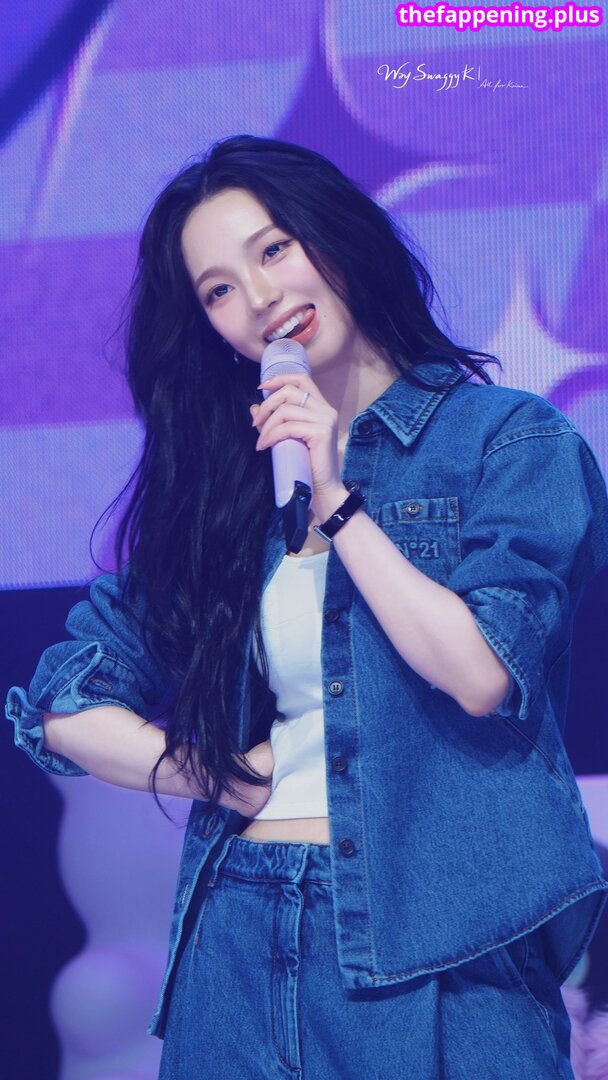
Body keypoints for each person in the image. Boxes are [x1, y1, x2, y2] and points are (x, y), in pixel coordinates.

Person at [7, 134, 608, 1079]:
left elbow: (483, 672)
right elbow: (62, 706)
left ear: (337, 236)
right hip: (237, 938)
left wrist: (335, 497)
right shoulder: (225, 494)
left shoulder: (505, 441)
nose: (259, 298)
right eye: (217, 290)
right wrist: (211, 773)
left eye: (274, 249)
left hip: (441, 955)